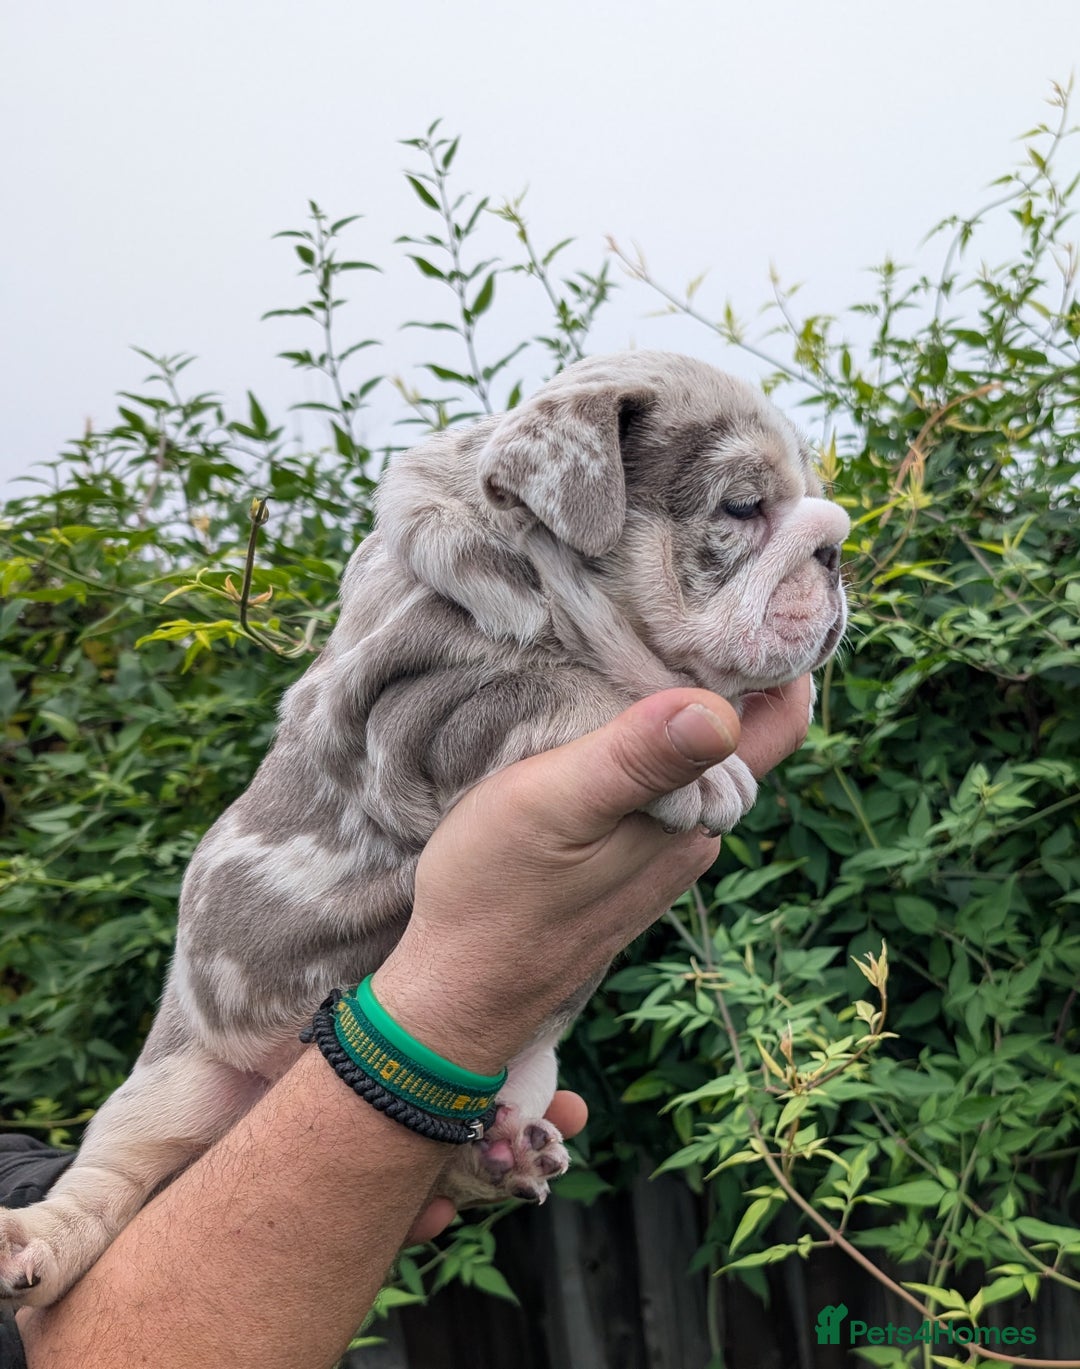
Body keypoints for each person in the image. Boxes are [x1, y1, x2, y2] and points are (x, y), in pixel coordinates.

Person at [7, 681, 810, 1369]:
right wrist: (451, 1010)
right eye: (741, 512)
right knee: (116, 1165)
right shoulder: (447, 594)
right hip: (241, 1032)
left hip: (307, 1047)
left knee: (528, 1088)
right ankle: (60, 1225)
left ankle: (456, 1156)